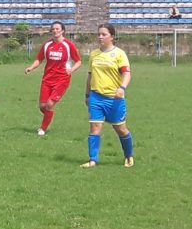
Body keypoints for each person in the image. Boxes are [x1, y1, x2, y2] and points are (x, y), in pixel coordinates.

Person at [81, 24, 134, 169]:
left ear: (112, 36)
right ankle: (93, 160)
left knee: (121, 129)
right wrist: (87, 94)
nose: (100, 37)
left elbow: (126, 73)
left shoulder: (119, 54)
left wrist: (122, 88)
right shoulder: (94, 54)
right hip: (96, 97)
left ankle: (129, 155)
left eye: (103, 34)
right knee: (95, 127)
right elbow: (90, 76)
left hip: (114, 98)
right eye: (98, 34)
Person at [24, 21, 82, 136]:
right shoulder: (47, 45)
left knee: (49, 104)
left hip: (62, 79)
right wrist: (31, 67)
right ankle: (48, 117)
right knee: (42, 106)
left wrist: (71, 70)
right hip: (47, 79)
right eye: (53, 29)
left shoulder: (68, 45)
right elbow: (39, 59)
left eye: (57, 29)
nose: (55, 31)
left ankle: (42, 129)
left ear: (63, 31)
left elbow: (79, 61)